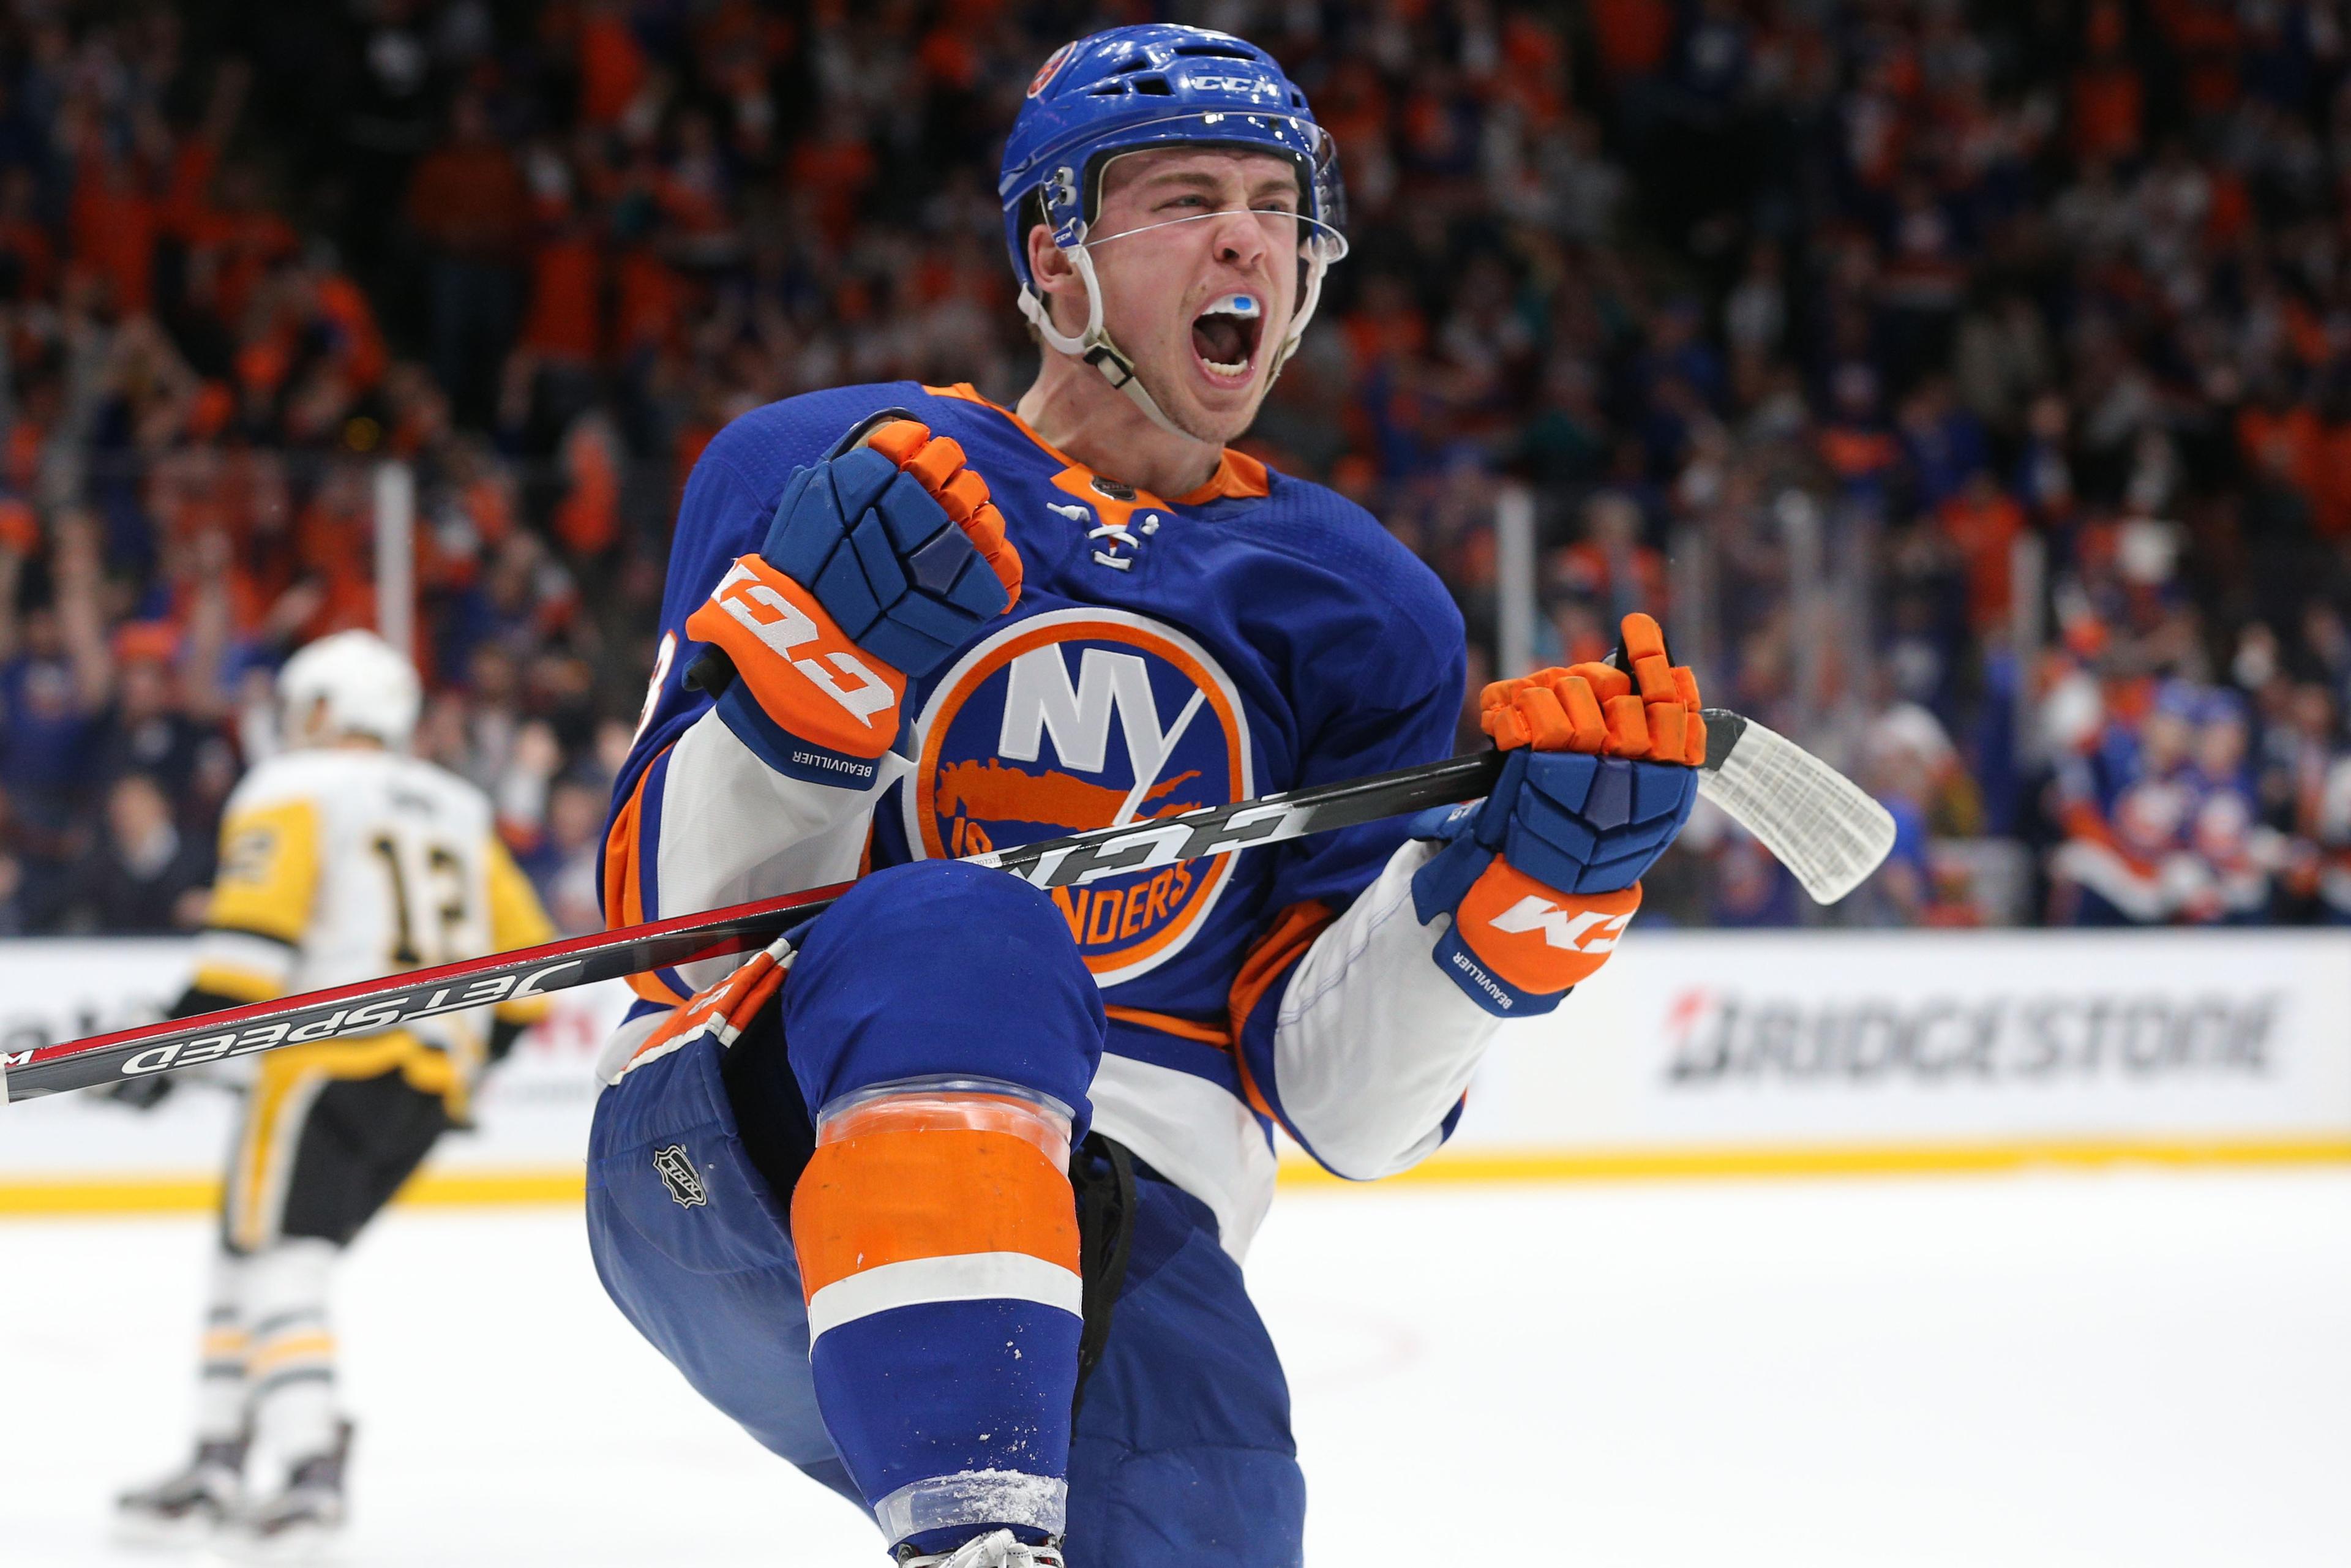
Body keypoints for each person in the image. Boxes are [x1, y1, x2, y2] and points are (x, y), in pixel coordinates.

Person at [585, 26, 1708, 1568]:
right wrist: (806, 693)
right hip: (742, 1147)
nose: (1247, 234)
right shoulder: (830, 460)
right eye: (1184, 196)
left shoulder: (1366, 609)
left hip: (1125, 1236)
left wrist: (1512, 904)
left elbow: (1347, 1110)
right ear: (1056, 262)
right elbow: (678, 937)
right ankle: (975, 1537)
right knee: (963, 933)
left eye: (1274, 204)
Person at [108, 629, 556, 1554]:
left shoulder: (292, 788)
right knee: (250, 1248)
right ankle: (219, 1453)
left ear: (321, 709)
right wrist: (467, 1068)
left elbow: (245, 957)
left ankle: (310, 1463)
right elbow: (531, 974)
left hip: (324, 1062)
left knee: (279, 1261)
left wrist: (152, 1060)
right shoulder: (462, 806)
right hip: (429, 1082)